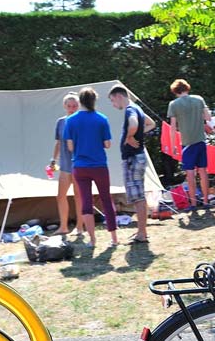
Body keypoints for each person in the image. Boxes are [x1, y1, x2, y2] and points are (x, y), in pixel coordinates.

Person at [64, 86, 119, 248]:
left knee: (86, 201)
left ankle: (93, 240)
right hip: (99, 165)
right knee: (106, 199)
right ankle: (114, 238)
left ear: (80, 101)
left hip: (80, 166)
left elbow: (70, 146)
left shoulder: (70, 120)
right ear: (94, 101)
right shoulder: (102, 119)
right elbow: (107, 144)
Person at [109, 85, 156, 243]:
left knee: (137, 197)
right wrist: (136, 134)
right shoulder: (137, 108)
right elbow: (151, 124)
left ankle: (142, 233)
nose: (113, 105)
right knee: (138, 196)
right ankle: (141, 232)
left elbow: (134, 124)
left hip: (133, 158)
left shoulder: (130, 110)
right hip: (137, 157)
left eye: (112, 101)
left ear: (118, 96)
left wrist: (130, 136)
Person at [168, 78, 212, 209]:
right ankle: (205, 201)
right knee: (203, 172)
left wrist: (173, 146)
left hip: (187, 143)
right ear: (187, 88)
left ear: (175, 91)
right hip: (200, 140)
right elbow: (208, 117)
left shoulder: (174, 104)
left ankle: (193, 203)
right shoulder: (199, 99)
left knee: (190, 174)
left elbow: (172, 127)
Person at [51, 92, 85, 236]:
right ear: (64, 106)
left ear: (79, 106)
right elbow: (58, 143)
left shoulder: (82, 121)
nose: (72, 108)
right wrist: (53, 160)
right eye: (69, 106)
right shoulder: (60, 122)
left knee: (78, 195)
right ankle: (63, 227)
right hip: (64, 165)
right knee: (61, 195)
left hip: (78, 163)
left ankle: (79, 227)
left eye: (75, 106)